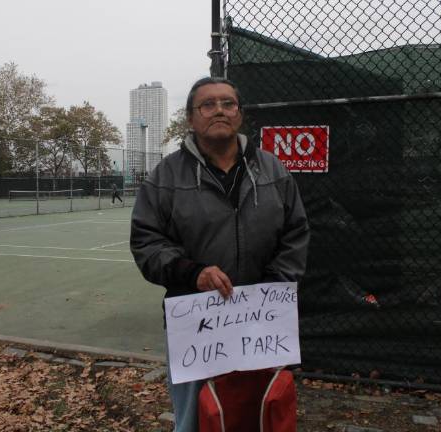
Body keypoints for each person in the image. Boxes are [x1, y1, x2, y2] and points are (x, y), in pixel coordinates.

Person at [130, 77, 310, 432]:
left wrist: (273, 286)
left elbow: (296, 233)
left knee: (260, 412)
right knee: (194, 418)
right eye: (208, 105)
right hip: (197, 323)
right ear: (191, 118)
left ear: (240, 115)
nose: (219, 111)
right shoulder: (164, 177)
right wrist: (191, 272)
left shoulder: (274, 170)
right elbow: (146, 243)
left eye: (228, 104)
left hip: (263, 321)